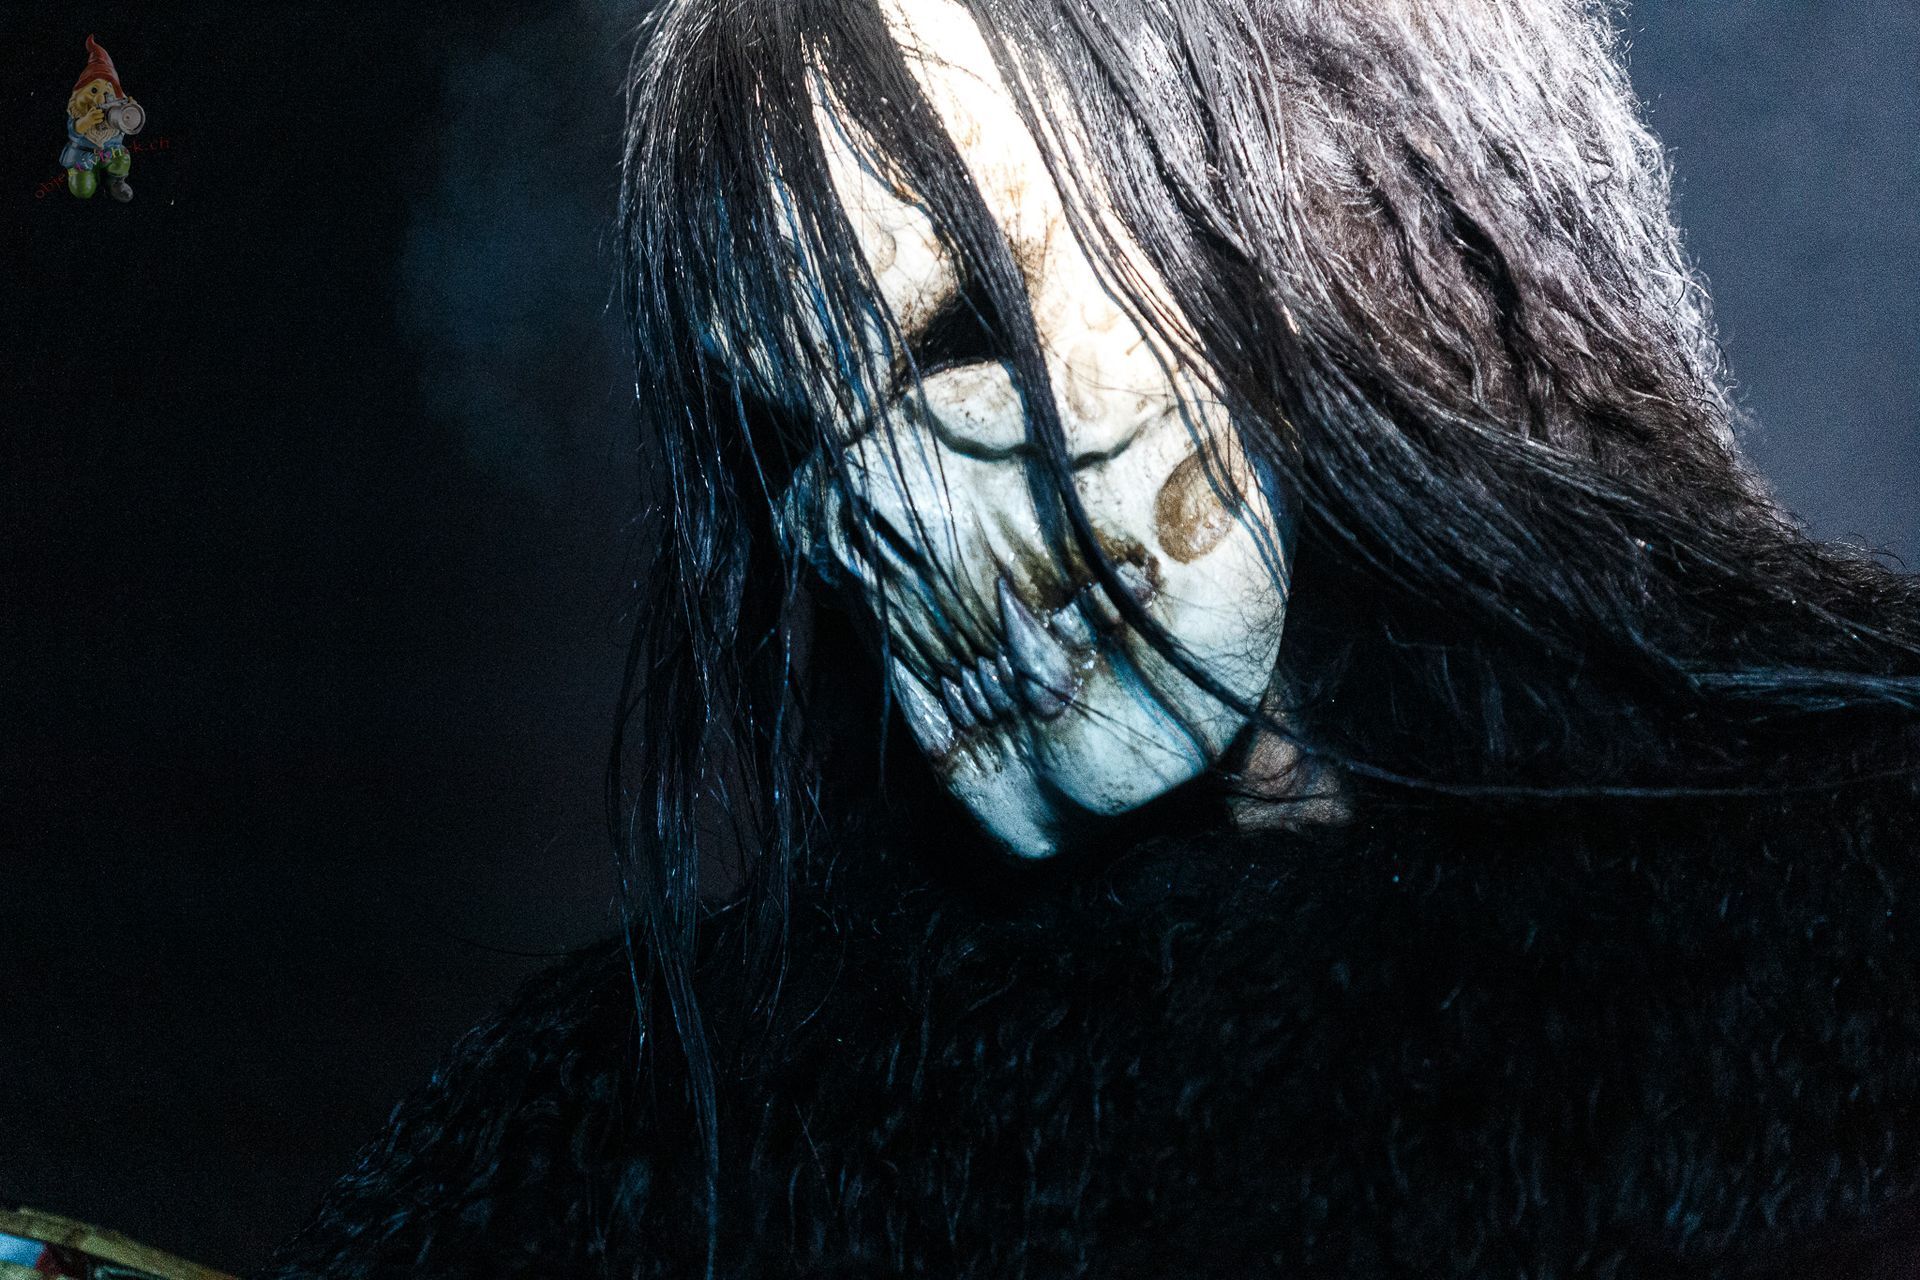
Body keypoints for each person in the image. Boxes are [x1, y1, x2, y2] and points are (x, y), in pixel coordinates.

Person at [265, 0, 1920, 1275]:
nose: (879, 518)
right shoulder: (664, 1130)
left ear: (1324, 222)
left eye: (960, 338)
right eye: (797, 443)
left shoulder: (1844, 914)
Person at [62, 36, 145, 203]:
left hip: (110, 152)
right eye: (93, 90)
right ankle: (87, 177)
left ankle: (115, 182)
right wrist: (86, 121)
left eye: (107, 93)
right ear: (77, 94)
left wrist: (129, 112)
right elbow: (74, 130)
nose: (101, 99)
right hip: (82, 156)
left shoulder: (117, 109)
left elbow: (129, 125)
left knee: (123, 158)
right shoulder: (77, 112)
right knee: (83, 190)